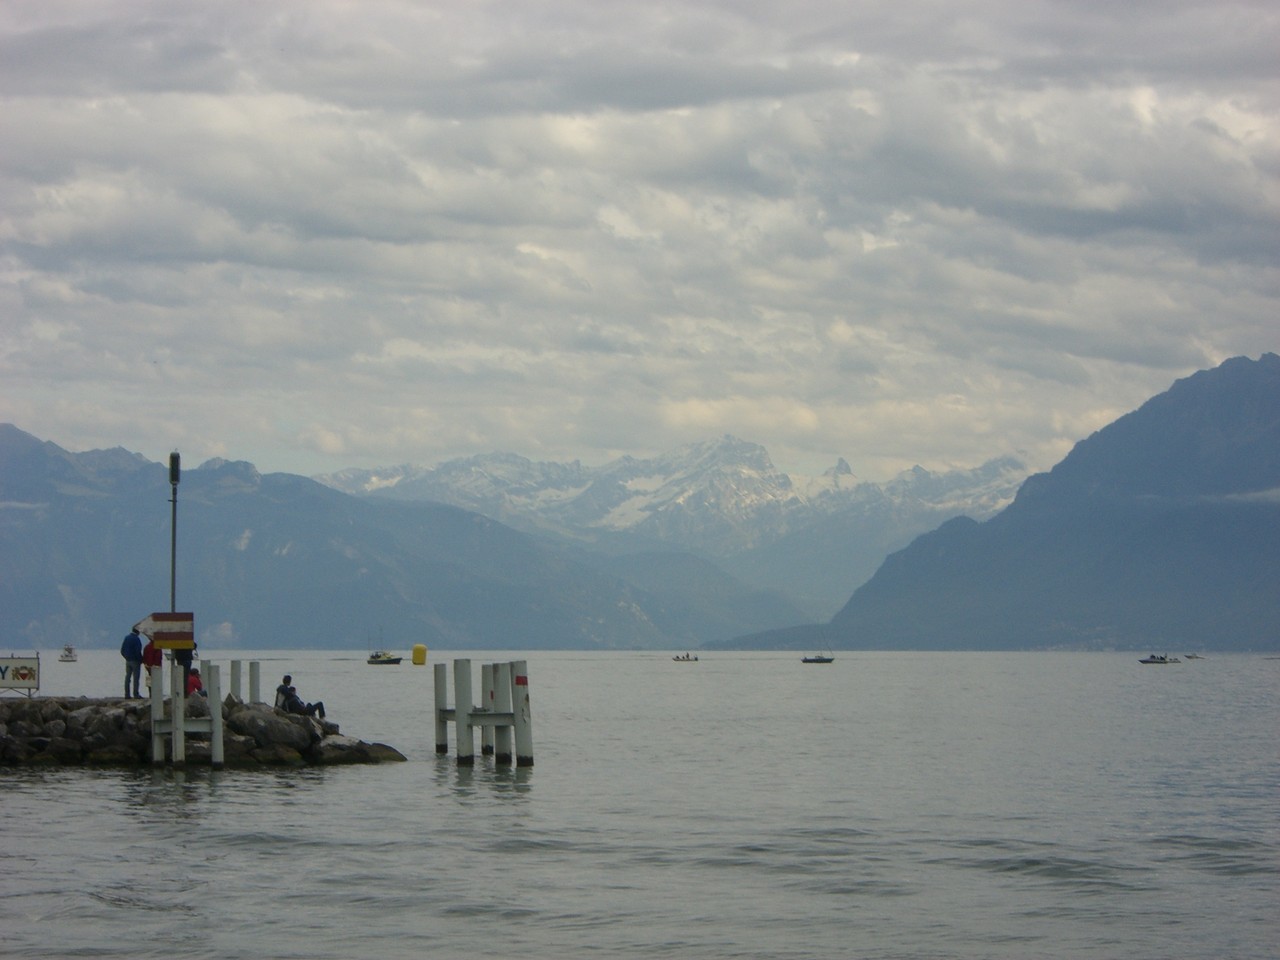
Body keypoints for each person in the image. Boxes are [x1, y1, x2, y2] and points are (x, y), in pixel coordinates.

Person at [120, 627, 143, 698]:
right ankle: (136, 694)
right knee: (136, 678)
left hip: (128, 660)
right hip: (135, 661)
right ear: (138, 632)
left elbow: (122, 650)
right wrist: (140, 660)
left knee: (127, 678)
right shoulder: (136, 639)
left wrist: (126, 657)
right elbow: (137, 651)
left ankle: (127, 694)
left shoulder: (126, 638)